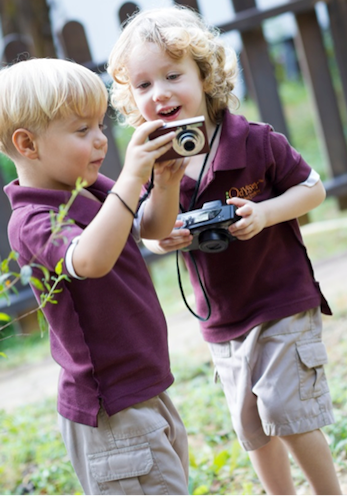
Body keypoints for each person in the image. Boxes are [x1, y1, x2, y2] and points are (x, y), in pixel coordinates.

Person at [107, 6, 342, 495]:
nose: (161, 93)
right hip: (223, 319)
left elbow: (314, 189)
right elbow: (151, 228)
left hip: (281, 299)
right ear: (132, 99)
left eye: (173, 75)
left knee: (287, 411)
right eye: (145, 85)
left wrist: (267, 213)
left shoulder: (254, 140)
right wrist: (163, 226)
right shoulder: (152, 158)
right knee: (251, 424)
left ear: (206, 76)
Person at [0, 57, 190, 496]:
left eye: (100, 126)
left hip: (144, 386)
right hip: (111, 408)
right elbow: (88, 260)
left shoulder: (91, 188)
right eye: (82, 130)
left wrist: (165, 184)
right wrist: (131, 178)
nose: (102, 140)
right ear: (28, 144)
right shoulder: (33, 218)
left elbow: (153, 228)